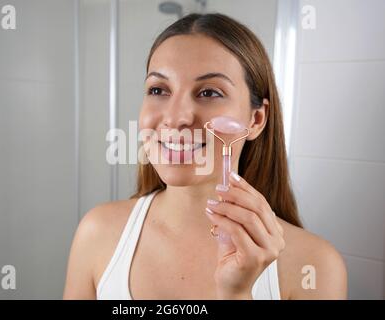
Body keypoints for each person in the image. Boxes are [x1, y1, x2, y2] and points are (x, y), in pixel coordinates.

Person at [63, 13, 347, 300]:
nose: (176, 118)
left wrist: (237, 294)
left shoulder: (314, 265)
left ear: (257, 119)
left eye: (209, 92)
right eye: (158, 89)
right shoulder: (97, 233)